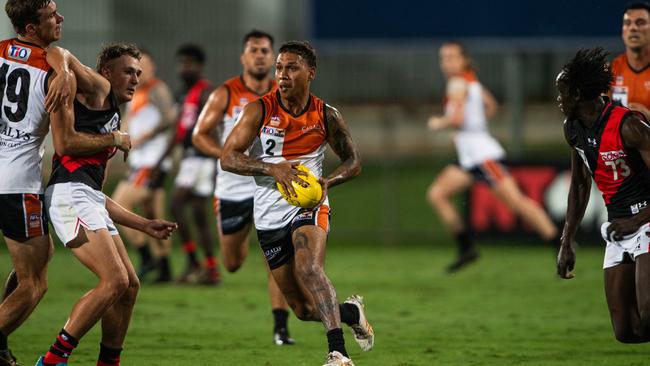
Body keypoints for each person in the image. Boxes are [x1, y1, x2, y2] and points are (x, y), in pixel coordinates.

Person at [221, 40, 373, 366]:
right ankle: (351, 312)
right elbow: (228, 158)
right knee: (303, 310)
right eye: (279, 68)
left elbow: (353, 162)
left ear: (310, 73)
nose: (283, 74)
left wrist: (328, 182)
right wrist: (270, 168)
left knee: (310, 268)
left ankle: (338, 353)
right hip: (267, 213)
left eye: (292, 67)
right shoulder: (259, 110)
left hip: (309, 204)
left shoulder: (325, 115)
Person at [0, 1, 130, 364]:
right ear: (30, 27)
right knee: (34, 284)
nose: (60, 18)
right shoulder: (55, 74)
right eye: (51, 16)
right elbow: (66, 142)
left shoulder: (1, 52)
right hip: (17, 183)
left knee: (35, 265)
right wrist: (116, 138)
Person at [36, 43, 177, 366]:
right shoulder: (98, 89)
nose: (135, 79)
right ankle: (53, 360)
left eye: (138, 73)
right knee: (114, 281)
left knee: (129, 287)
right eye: (128, 71)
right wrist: (63, 69)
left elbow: (96, 195)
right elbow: (59, 52)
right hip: (67, 198)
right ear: (106, 73)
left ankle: (108, 362)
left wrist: (143, 224)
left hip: (83, 197)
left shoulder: (114, 108)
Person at [192, 30, 295, 345]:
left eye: (265, 50)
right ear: (244, 57)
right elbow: (199, 134)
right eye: (254, 50)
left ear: (274, 58)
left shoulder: (284, 94)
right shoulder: (226, 93)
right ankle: (247, 239)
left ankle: (281, 327)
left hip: (270, 187)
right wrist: (225, 155)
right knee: (233, 263)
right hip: (233, 189)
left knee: (274, 256)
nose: (260, 55)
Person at [426, 41, 558, 272]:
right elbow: (491, 105)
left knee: (517, 202)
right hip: (470, 159)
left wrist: (439, 122)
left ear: (464, 60)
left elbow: (456, 119)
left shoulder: (458, 83)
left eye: (451, 57)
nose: (447, 62)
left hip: (483, 156)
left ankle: (560, 244)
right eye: (443, 58)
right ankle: (466, 248)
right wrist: (473, 127)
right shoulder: (471, 81)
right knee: (437, 194)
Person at [557, 47, 650, 343]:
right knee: (628, 331)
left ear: (580, 94)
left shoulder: (629, 125)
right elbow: (580, 184)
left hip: (647, 220)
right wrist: (567, 239)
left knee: (649, 314)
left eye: (563, 92)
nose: (559, 99)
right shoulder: (572, 129)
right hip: (618, 226)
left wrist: (638, 220)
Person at [112, 50, 176, 282]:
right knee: (154, 215)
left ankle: (145, 255)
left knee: (117, 206)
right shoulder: (135, 92)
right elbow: (129, 123)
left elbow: (170, 118)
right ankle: (165, 268)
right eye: (137, 67)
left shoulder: (157, 89)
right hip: (141, 162)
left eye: (146, 65)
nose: (142, 71)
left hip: (152, 162)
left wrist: (147, 135)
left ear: (154, 67)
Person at [157, 44, 218, 284]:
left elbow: (216, 128)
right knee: (197, 214)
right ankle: (209, 268)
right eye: (182, 63)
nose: (185, 67)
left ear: (199, 65)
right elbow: (178, 130)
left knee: (176, 203)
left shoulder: (206, 92)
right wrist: (162, 158)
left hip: (202, 159)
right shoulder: (183, 93)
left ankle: (195, 262)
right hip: (190, 158)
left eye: (189, 63)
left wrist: (216, 160)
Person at [611, 2, 650, 121]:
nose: (633, 28)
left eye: (640, 22)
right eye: (627, 23)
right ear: (623, 31)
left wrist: (647, 116)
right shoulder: (611, 71)